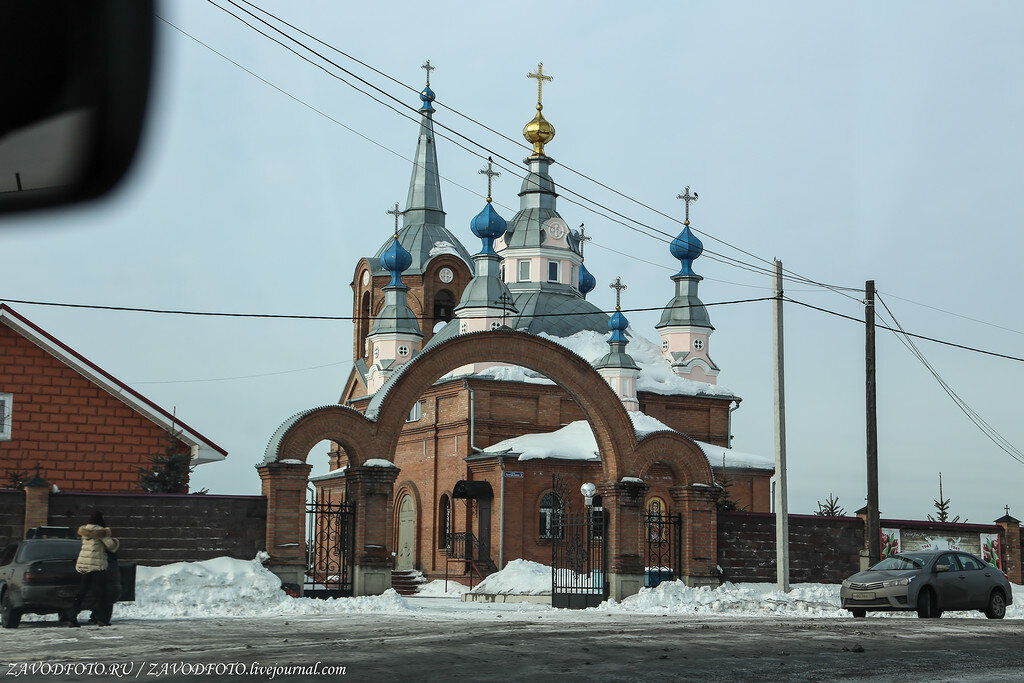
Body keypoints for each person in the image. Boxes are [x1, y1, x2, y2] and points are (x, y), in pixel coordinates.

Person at [68, 511, 119, 627]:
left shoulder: (85, 531)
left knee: (82, 592)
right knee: (104, 593)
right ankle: (102, 619)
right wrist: (115, 541)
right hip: (97, 566)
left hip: (84, 565)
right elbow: (111, 546)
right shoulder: (101, 532)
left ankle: (72, 617)